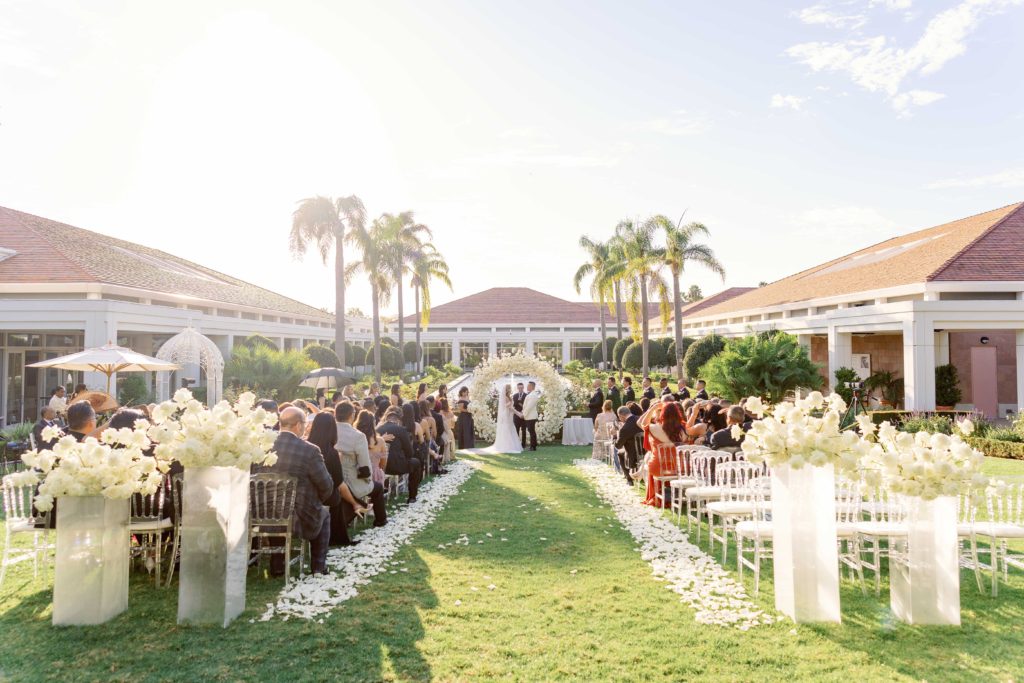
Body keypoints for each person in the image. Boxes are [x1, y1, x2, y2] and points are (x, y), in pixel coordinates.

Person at [263, 407, 340, 575]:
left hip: (261, 516)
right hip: (298, 517)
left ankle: (277, 564)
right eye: (305, 424)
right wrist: (317, 499)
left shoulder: (262, 446)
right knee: (324, 514)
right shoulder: (309, 450)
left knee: (275, 507)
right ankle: (319, 566)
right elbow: (326, 485)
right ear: (298, 425)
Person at [306, 412, 366, 546]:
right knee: (339, 498)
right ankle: (337, 536)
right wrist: (354, 503)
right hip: (323, 495)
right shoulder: (331, 453)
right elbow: (339, 483)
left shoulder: (305, 446)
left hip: (306, 493)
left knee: (341, 497)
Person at [333, 404, 388, 529]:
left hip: (331, 480)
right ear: (352, 415)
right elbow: (364, 466)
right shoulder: (357, 436)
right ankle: (381, 520)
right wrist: (368, 479)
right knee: (378, 487)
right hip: (350, 481)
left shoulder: (328, 430)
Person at [642, 401, 686, 507]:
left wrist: (652, 409)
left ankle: (657, 496)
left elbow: (643, 424)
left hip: (659, 467)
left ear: (662, 414)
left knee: (649, 462)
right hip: (678, 468)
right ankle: (671, 497)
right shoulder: (683, 429)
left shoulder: (655, 428)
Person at [377, 406, 422, 503]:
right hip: (397, 466)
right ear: (398, 420)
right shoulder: (401, 430)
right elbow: (410, 452)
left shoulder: (378, 429)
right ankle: (412, 496)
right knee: (416, 463)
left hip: (380, 467)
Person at [614, 405, 642, 485]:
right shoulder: (640, 419)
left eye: (619, 417)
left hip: (633, 454)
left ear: (621, 415)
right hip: (646, 451)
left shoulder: (625, 428)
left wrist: (616, 436)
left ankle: (629, 479)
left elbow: (618, 446)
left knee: (619, 453)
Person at [522, 381, 541, 452]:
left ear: (532, 387)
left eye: (528, 386)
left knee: (532, 431)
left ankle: (533, 447)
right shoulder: (531, 394)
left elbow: (529, 407)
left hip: (531, 416)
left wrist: (524, 414)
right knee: (531, 431)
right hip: (529, 416)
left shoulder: (533, 395)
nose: (527, 387)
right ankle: (533, 445)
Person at [512, 382, 527, 447]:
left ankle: (523, 444)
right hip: (516, 415)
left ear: (523, 387)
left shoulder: (526, 395)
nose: (520, 388)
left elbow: (527, 406)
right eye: (519, 387)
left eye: (522, 387)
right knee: (516, 430)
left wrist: (521, 404)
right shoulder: (515, 395)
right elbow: (513, 406)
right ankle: (516, 444)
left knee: (524, 430)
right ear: (517, 388)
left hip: (524, 415)